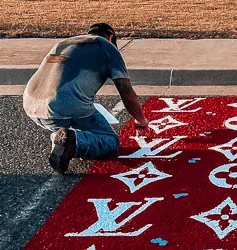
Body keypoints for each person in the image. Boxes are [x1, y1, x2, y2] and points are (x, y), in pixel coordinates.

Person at [23, 22, 148, 174]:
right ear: (111, 38)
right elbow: (126, 92)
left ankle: (60, 139)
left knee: (70, 120)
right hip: (64, 105)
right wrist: (141, 119)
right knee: (111, 143)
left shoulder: (65, 42)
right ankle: (74, 141)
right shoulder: (106, 46)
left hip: (31, 105)